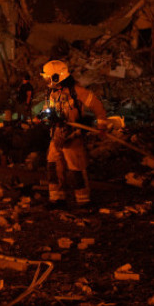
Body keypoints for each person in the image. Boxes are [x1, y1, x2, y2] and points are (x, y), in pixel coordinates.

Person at [40, 59, 107, 208]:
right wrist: (44, 118)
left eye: (48, 77)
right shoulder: (52, 93)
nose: (47, 80)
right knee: (53, 164)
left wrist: (102, 125)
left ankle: (83, 200)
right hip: (56, 134)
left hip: (73, 135)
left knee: (76, 168)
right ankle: (57, 199)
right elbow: (47, 110)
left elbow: (96, 105)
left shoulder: (77, 91)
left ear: (57, 77)